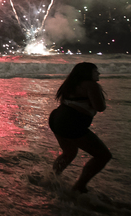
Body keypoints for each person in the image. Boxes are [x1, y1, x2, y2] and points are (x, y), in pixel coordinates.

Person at [48, 62, 112, 193]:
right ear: (88, 73)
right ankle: (79, 186)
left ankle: (51, 178)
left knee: (69, 152)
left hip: (57, 118)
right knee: (103, 155)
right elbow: (100, 107)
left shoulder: (69, 84)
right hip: (72, 122)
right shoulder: (91, 85)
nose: (98, 73)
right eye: (96, 71)